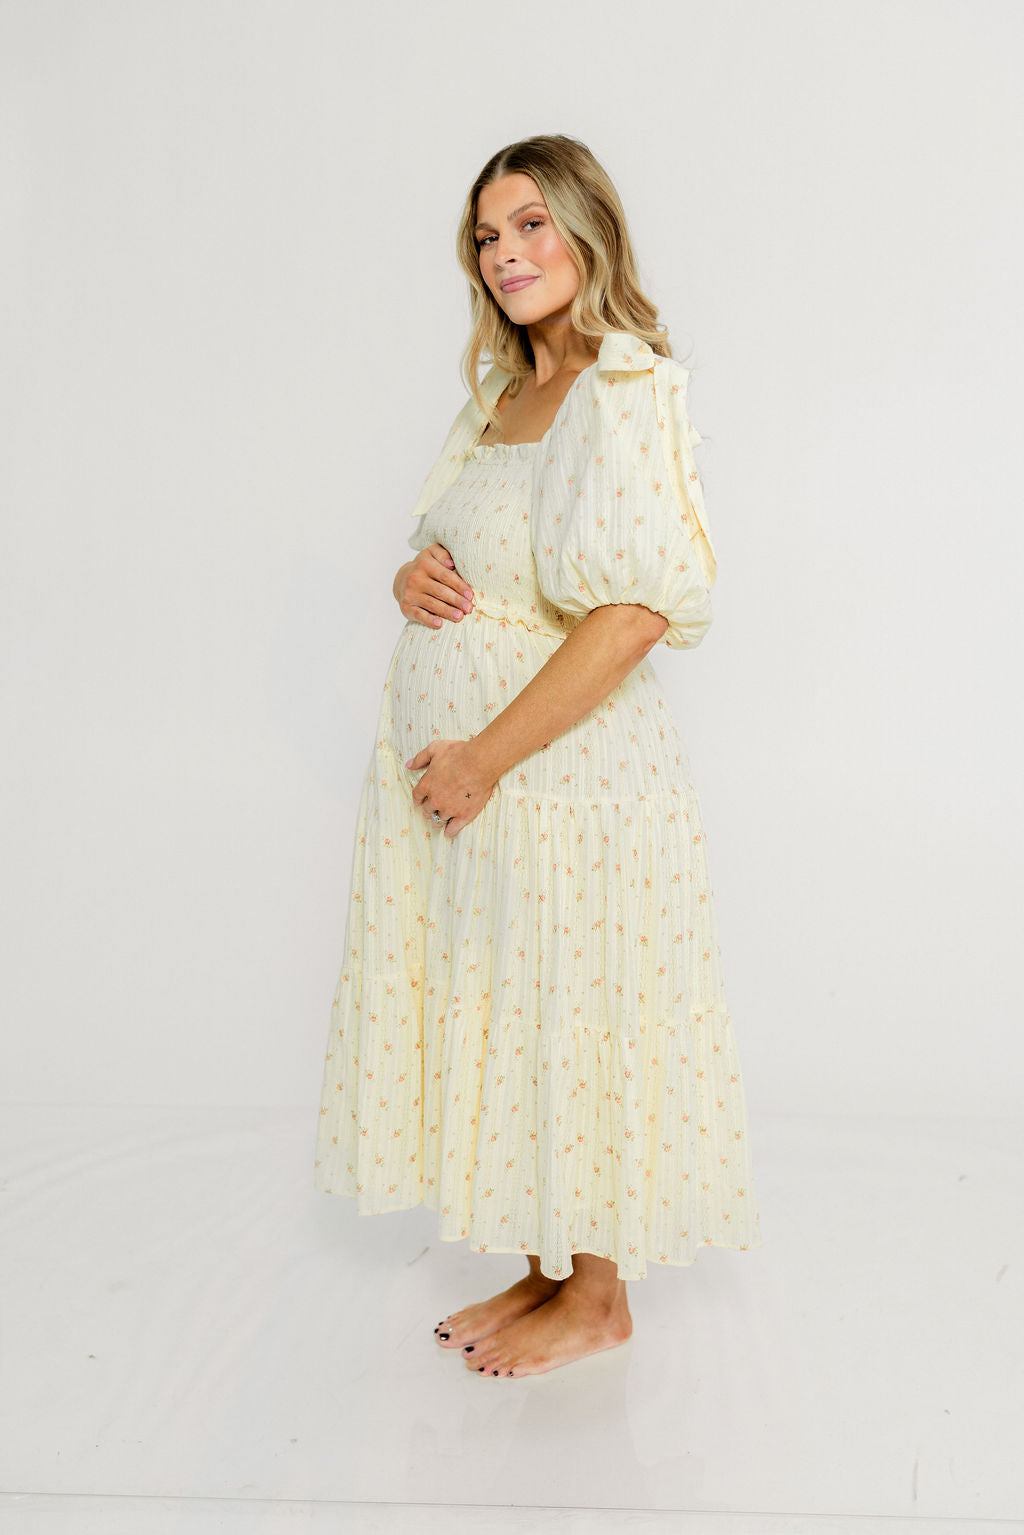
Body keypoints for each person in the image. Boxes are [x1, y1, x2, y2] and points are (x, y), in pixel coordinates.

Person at [314, 133, 761, 1379]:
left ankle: (598, 1296)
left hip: (564, 783)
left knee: (574, 1009)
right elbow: (473, 553)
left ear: (585, 230)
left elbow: (632, 615)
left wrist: (485, 757)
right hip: (486, 790)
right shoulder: (500, 397)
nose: (503, 253)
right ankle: (546, 1268)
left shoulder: (627, 386)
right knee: (512, 1007)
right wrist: (410, 577)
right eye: (484, 235)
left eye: (528, 225)